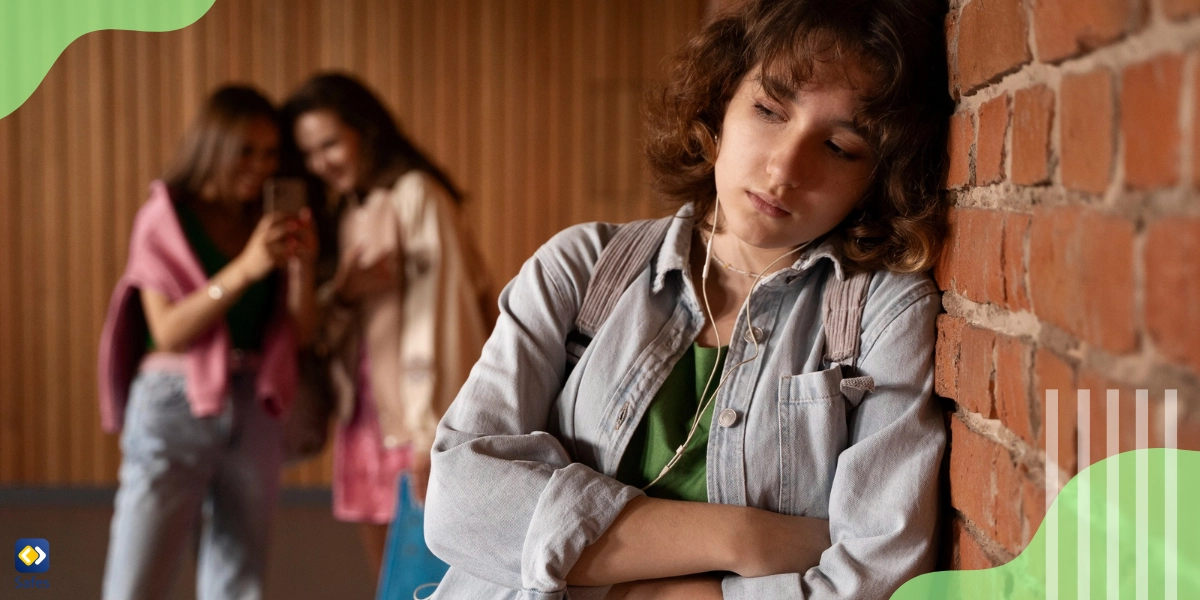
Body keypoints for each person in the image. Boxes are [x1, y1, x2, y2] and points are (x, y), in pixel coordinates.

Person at [422, 0, 952, 598]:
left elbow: (875, 576)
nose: (785, 167)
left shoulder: (881, 314)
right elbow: (458, 506)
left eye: (840, 147)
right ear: (719, 105)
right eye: (769, 111)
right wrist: (744, 539)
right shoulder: (580, 269)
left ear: (878, 174)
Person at [97, 85, 317, 600]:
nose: (259, 166)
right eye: (245, 150)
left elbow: (298, 333)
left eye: (269, 154)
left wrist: (303, 268)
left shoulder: (263, 220)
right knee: (138, 577)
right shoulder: (165, 217)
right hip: (172, 402)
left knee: (240, 580)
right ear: (213, 145)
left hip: (255, 402)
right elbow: (168, 330)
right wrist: (244, 270)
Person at [282, 73, 495, 579]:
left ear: (366, 129)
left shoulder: (416, 194)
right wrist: (342, 291)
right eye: (309, 152)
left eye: (330, 143)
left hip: (417, 420)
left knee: (432, 576)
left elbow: (439, 321)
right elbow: (326, 334)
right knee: (390, 577)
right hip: (365, 416)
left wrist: (430, 434)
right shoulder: (350, 208)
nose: (320, 163)